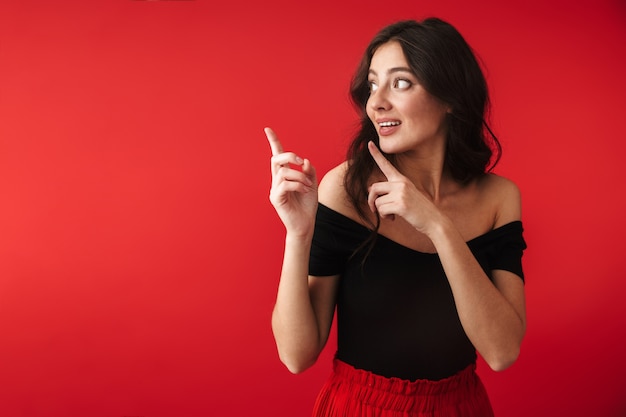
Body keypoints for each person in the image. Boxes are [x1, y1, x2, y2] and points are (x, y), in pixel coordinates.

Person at [265, 18, 527, 417]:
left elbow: (502, 351)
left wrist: (437, 226)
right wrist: (298, 234)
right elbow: (296, 356)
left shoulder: (499, 198)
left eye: (401, 82)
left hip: (460, 408)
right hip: (361, 407)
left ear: (450, 96)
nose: (377, 102)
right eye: (372, 84)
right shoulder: (346, 188)